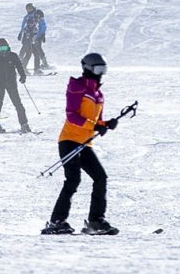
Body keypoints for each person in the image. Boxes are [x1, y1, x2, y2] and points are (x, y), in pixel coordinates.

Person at [44, 52, 129, 236]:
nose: (101, 73)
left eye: (103, 69)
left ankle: (95, 221)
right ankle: (57, 221)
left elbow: (96, 120)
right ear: (88, 68)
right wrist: (96, 125)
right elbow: (72, 115)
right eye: (98, 69)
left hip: (85, 143)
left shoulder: (98, 94)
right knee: (73, 179)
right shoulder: (77, 87)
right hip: (69, 141)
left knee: (101, 177)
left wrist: (107, 124)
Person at [0, 38, 31, 133]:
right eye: (1, 48)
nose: (3, 50)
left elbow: (19, 66)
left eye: (5, 47)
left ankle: (24, 124)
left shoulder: (13, 56)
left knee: (17, 103)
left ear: (8, 47)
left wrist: (23, 76)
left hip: (11, 83)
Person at [20, 3, 51, 75]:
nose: (29, 10)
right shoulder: (29, 18)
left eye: (30, 8)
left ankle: (36, 69)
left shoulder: (35, 17)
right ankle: (22, 68)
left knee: (36, 53)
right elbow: (26, 28)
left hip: (33, 39)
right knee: (28, 53)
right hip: (29, 39)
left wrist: (41, 35)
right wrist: (22, 34)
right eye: (27, 8)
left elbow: (42, 25)